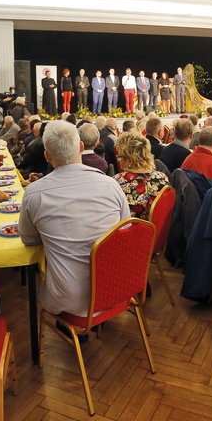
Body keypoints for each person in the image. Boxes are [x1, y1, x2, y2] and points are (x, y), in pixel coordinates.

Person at [19, 121, 130, 318]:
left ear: (47, 156)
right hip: (115, 289)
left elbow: (29, 239)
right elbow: (126, 230)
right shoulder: (111, 185)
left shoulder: (34, 193)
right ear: (80, 147)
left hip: (67, 298)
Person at [113, 132, 170, 219]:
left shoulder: (118, 181)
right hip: (158, 230)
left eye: (119, 156)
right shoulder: (162, 178)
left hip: (129, 230)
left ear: (130, 160)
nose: (118, 160)